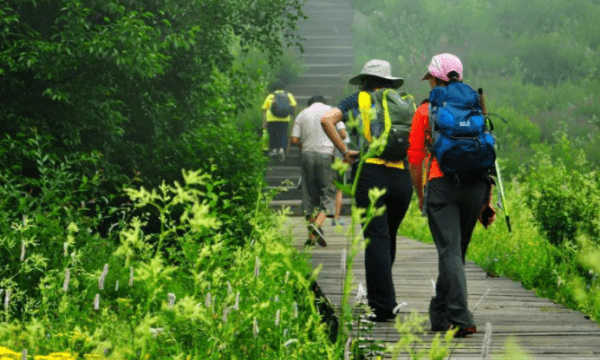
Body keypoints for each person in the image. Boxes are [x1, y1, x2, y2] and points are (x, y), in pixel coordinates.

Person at [407, 53, 494, 337]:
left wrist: (421, 195)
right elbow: (487, 154)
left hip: (442, 186)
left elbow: (415, 157)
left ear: (434, 78)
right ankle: (440, 313)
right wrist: (486, 201)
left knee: (450, 252)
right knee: (455, 253)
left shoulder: (425, 111)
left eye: (430, 78)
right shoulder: (476, 107)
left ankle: (461, 317)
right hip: (475, 187)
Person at [321, 59, 414, 322]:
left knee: (376, 240)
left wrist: (343, 150)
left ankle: (382, 306)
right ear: (388, 82)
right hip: (401, 177)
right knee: (388, 238)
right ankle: (385, 298)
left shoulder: (358, 99)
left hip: (371, 173)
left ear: (364, 81)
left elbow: (327, 119)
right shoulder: (403, 103)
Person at [291, 95, 345, 247]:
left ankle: (312, 236)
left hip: (307, 156)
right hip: (326, 156)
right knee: (328, 193)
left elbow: (294, 139)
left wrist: (304, 146)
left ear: (309, 103)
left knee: (308, 194)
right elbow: (343, 134)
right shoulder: (332, 111)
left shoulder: (302, 114)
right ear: (324, 102)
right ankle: (317, 226)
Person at [262, 81, 297, 162]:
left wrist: (264, 121)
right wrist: (293, 115)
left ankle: (274, 149)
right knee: (283, 134)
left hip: (271, 119)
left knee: (273, 134)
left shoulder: (271, 96)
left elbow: (264, 109)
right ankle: (281, 149)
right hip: (284, 119)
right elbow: (294, 106)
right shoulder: (288, 95)